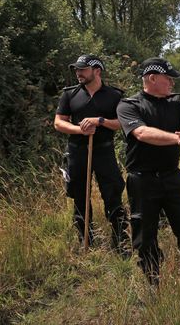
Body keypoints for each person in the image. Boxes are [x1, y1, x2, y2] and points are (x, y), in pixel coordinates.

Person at [116, 57, 180, 285]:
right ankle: (154, 281)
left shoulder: (176, 102)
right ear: (152, 78)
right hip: (142, 181)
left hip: (173, 177)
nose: (172, 84)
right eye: (168, 78)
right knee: (145, 235)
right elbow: (142, 134)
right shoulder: (129, 105)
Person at [54, 54, 131, 255]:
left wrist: (100, 121)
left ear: (97, 71)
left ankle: (120, 241)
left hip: (104, 151)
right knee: (79, 195)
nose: (78, 73)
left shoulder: (114, 96)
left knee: (113, 193)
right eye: (77, 69)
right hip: (77, 151)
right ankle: (85, 240)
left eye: (83, 69)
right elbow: (59, 122)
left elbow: (123, 124)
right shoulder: (70, 95)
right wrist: (81, 130)